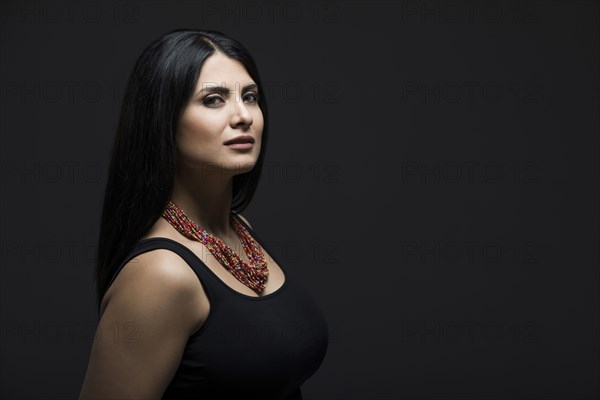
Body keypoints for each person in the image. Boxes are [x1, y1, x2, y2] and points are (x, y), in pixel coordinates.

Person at [79, 29, 329, 400]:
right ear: (162, 118)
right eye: (213, 100)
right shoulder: (162, 274)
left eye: (250, 97)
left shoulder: (240, 231)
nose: (243, 116)